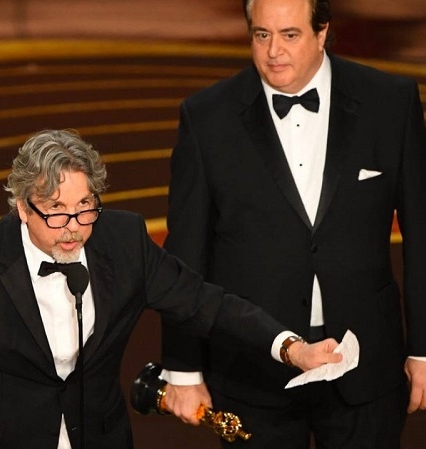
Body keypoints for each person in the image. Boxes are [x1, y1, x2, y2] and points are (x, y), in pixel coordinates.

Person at [0, 128, 342, 449]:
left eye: (85, 207)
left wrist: (292, 349)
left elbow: (208, 304)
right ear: (22, 208)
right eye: (55, 211)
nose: (73, 227)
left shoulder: (123, 242)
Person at [163, 0, 426, 447]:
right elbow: (186, 254)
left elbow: (421, 234)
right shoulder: (207, 116)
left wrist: (422, 348)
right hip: (250, 370)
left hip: (366, 363)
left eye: (290, 35)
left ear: (322, 33)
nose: (273, 51)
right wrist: (183, 369)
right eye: (261, 35)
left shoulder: (390, 102)